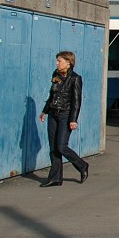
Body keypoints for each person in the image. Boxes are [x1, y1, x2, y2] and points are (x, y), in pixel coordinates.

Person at [38, 50, 89, 187]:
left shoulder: (75, 78)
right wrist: (45, 111)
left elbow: (76, 101)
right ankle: (55, 178)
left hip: (65, 115)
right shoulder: (56, 75)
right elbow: (52, 94)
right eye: (57, 60)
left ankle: (82, 165)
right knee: (53, 147)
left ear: (68, 62)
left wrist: (73, 120)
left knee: (61, 146)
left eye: (59, 61)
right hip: (53, 114)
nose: (57, 63)